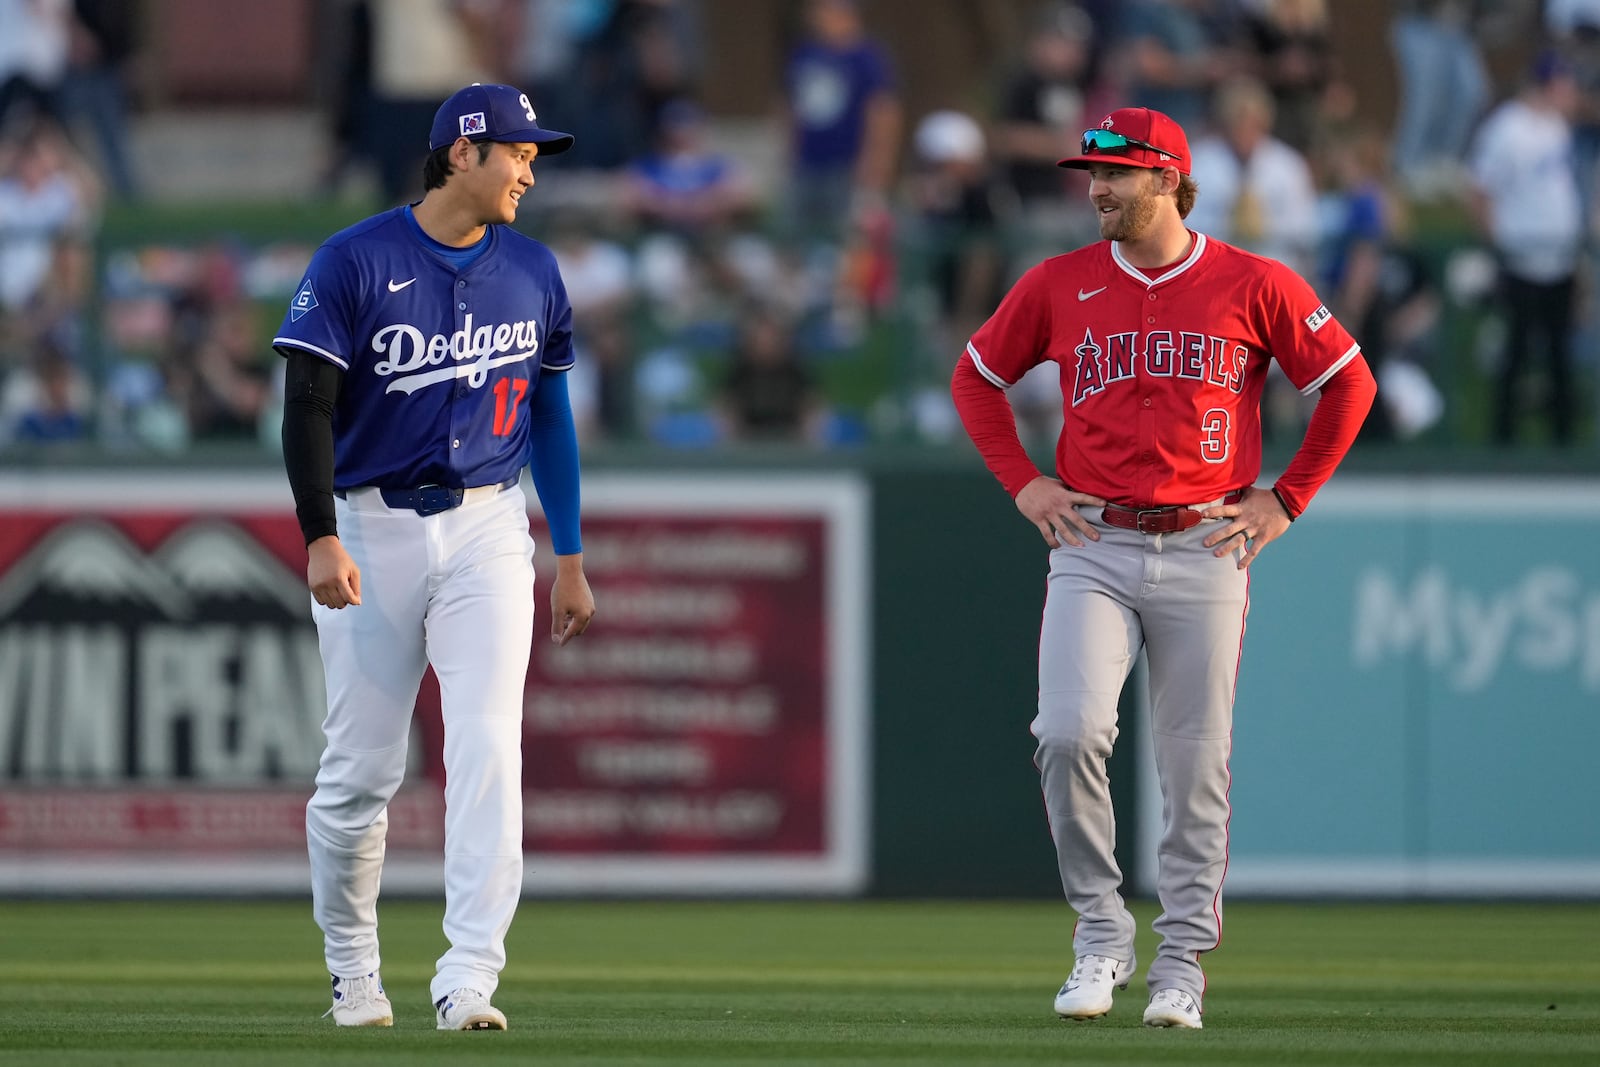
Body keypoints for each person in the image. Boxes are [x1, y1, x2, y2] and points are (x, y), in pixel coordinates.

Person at [949, 106, 1375, 1029]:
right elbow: (976, 376)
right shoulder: (1060, 281)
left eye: (1118, 173)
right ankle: (1101, 935)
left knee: (1194, 769)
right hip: (1094, 539)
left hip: (1206, 541)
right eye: (1092, 173)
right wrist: (1024, 483)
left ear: (1170, 180)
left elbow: (1349, 380)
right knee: (1065, 733)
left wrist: (1286, 497)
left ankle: (1180, 962)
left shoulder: (1253, 279)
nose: (1097, 188)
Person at [272, 82, 597, 1031]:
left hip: (492, 525)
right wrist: (318, 531)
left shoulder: (533, 269)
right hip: (372, 523)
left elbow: (550, 413)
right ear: (463, 153)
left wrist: (568, 549)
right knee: (360, 773)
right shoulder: (355, 258)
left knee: (490, 746)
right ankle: (352, 967)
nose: (530, 168)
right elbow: (307, 405)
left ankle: (469, 977)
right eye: (518, 151)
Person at [1467, 50, 1585, 446]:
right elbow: (1481, 191)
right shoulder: (1506, 128)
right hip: (1521, 261)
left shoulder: (1557, 127)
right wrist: (1499, 244)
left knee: (1559, 355)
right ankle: (1504, 439)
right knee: (1515, 354)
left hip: (1560, 259)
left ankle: (1562, 439)